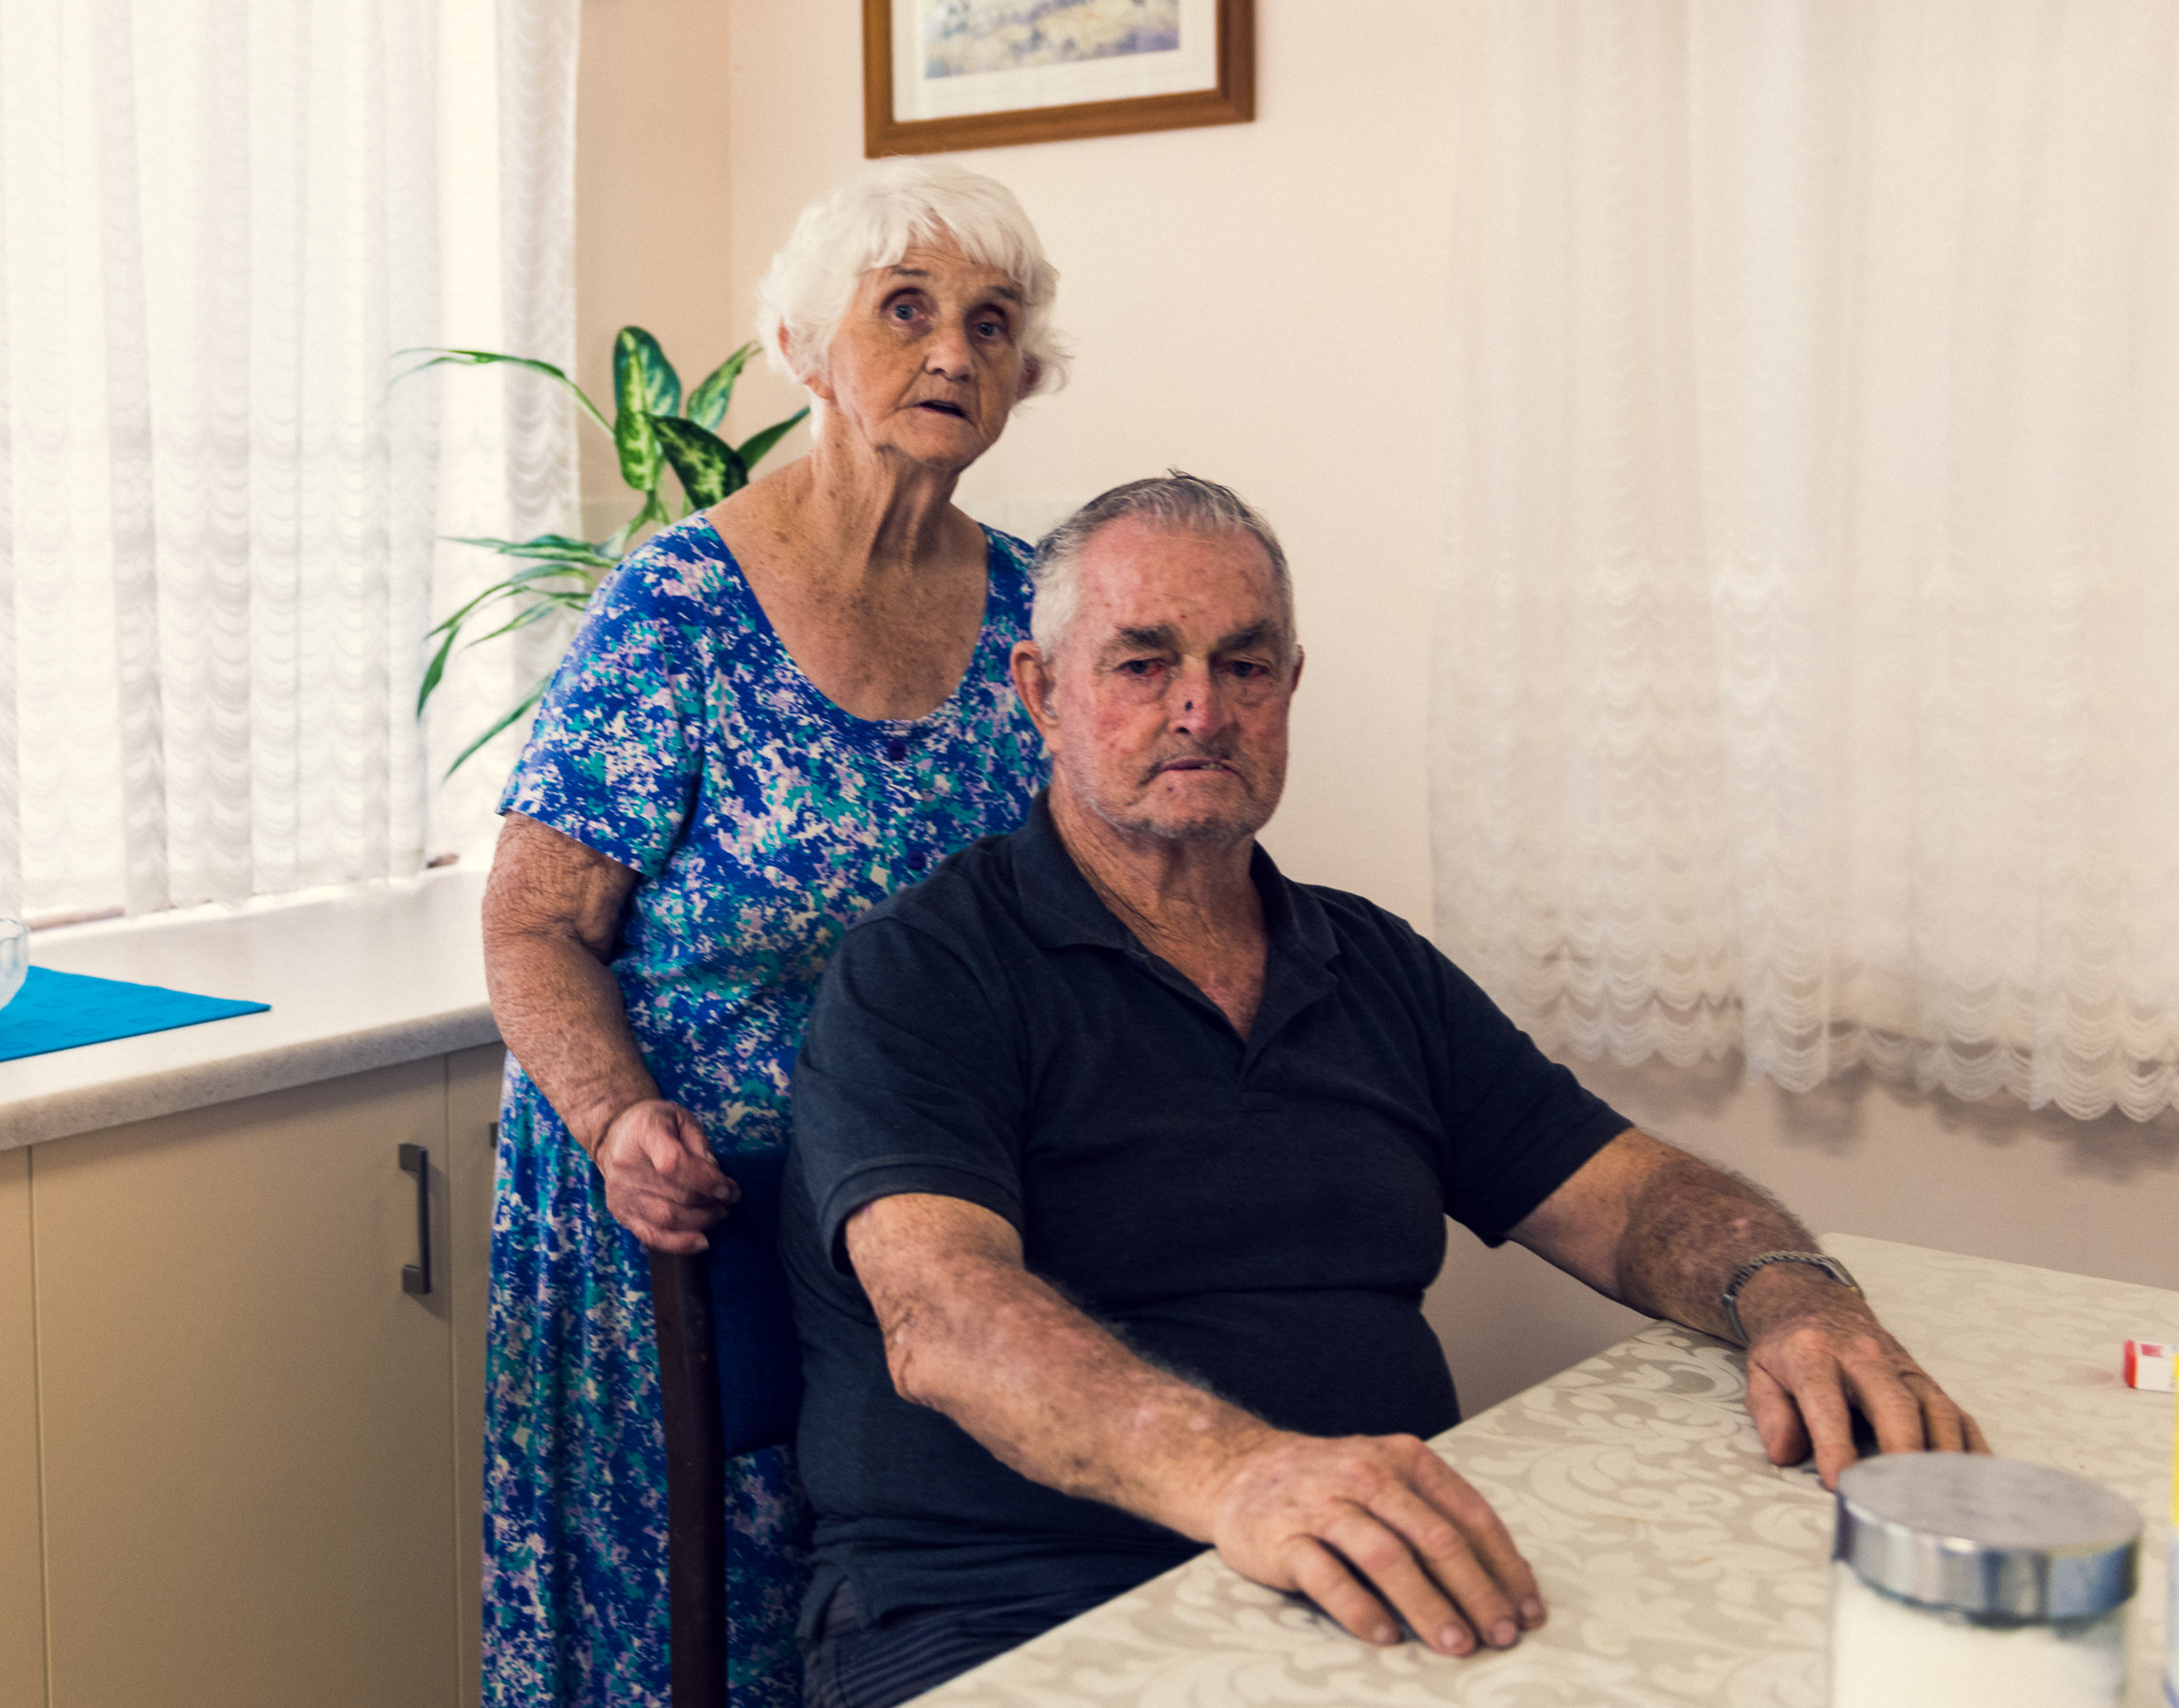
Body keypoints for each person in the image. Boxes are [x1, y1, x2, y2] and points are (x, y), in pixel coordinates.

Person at [779, 472, 1992, 1707]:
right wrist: (1243, 1474)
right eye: (1143, 663)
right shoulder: (923, 967)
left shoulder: (1373, 965)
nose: (1202, 705)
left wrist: (1790, 1296)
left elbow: (1627, 1199)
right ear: (1040, 690)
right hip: (1002, 1607)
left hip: (1361, 1588)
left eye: (1245, 666)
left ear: (1290, 687)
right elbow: (948, 1318)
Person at [477, 158, 1068, 1708]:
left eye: (992, 323)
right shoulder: (680, 608)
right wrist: (618, 1122)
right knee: (707, 1636)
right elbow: (535, 925)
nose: (955, 350)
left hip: (930, 1210)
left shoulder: (1030, 615)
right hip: (681, 1205)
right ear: (808, 349)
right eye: (906, 309)